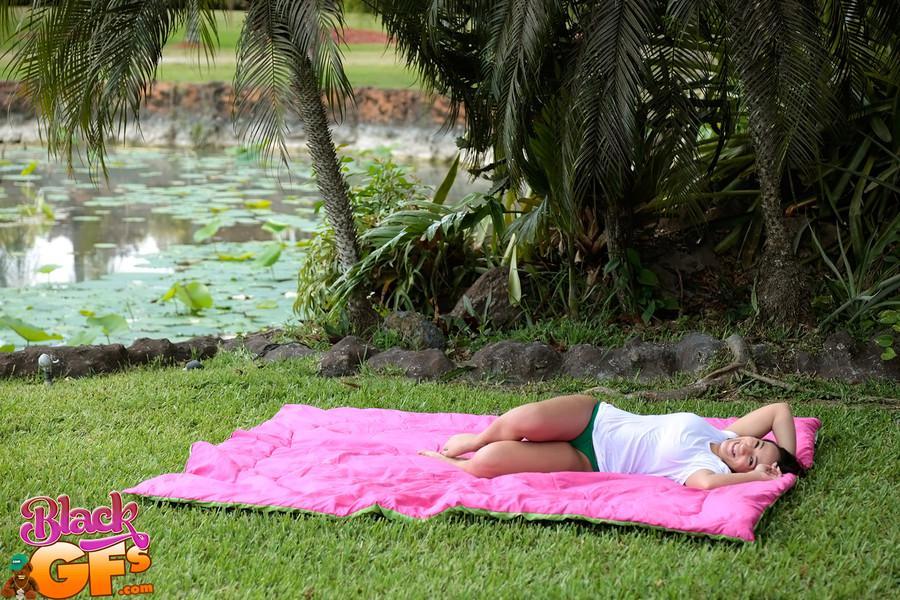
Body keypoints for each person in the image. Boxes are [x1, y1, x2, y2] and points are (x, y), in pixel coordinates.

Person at [418, 395, 805, 489]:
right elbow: (780, 410)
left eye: (752, 460)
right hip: (599, 418)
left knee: (488, 464)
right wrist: (796, 460)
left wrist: (762, 478)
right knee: (521, 420)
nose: (747, 449)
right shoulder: (727, 435)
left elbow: (706, 485)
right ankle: (474, 438)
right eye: (757, 443)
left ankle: (460, 463)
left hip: (589, 460)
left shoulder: (707, 470)